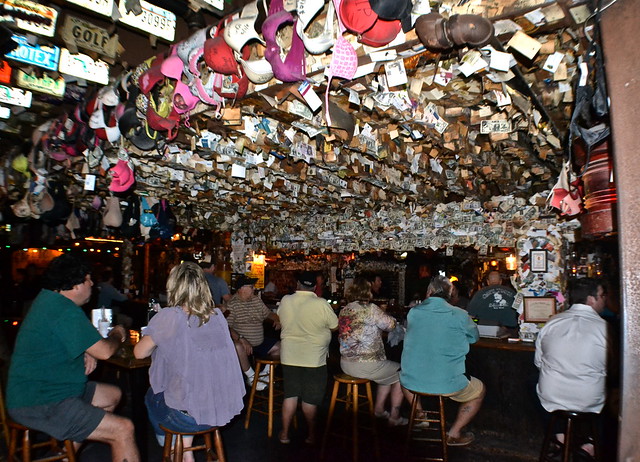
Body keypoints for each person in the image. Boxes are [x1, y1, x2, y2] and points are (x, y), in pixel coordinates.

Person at [6, 253, 139, 462]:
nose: (92, 284)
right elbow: (105, 350)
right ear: (76, 285)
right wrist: (117, 333)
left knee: (111, 394)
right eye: (88, 279)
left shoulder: (50, 300)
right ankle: (68, 451)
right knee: (123, 429)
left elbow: (60, 339)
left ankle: (65, 457)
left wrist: (85, 350)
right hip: (42, 401)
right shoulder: (63, 310)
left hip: (44, 390)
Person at [134, 262, 245, 461]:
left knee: (152, 396)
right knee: (185, 389)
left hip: (185, 417)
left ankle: (169, 441)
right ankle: (186, 452)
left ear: (173, 287)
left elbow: (139, 353)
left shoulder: (170, 316)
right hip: (218, 409)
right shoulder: (217, 316)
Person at [401, 275, 485, 446]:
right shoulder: (460, 315)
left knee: (403, 378)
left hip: (413, 381)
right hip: (446, 383)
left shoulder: (414, 312)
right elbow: (474, 337)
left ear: (429, 292)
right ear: (451, 293)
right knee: (480, 391)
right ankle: (453, 434)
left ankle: (420, 416)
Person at [535, 278, 608, 457]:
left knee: (533, 383)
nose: (605, 300)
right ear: (592, 299)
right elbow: (613, 370)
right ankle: (590, 443)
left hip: (552, 396)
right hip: (589, 399)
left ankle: (559, 435)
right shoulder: (606, 329)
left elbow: (538, 363)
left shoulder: (551, 323)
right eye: (602, 296)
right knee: (615, 394)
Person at [338, 277, 412, 426]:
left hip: (345, 363)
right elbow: (391, 325)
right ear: (368, 292)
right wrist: (383, 313)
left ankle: (379, 409)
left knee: (386, 372)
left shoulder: (344, 310)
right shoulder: (370, 308)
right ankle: (394, 416)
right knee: (401, 373)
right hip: (366, 365)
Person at [277, 271, 338, 445]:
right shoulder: (320, 303)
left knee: (290, 395)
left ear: (298, 285)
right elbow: (334, 326)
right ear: (315, 287)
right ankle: (311, 435)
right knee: (309, 399)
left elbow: (281, 317)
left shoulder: (286, 300)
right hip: (314, 359)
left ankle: (285, 434)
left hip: (289, 357)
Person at [226, 275, 281, 390]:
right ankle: (251, 377)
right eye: (251, 287)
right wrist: (241, 338)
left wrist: (276, 319)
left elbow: (268, 313)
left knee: (282, 346)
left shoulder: (256, 300)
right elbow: (227, 328)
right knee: (237, 347)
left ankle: (264, 375)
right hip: (243, 344)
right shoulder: (232, 305)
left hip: (259, 342)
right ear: (241, 289)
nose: (254, 289)